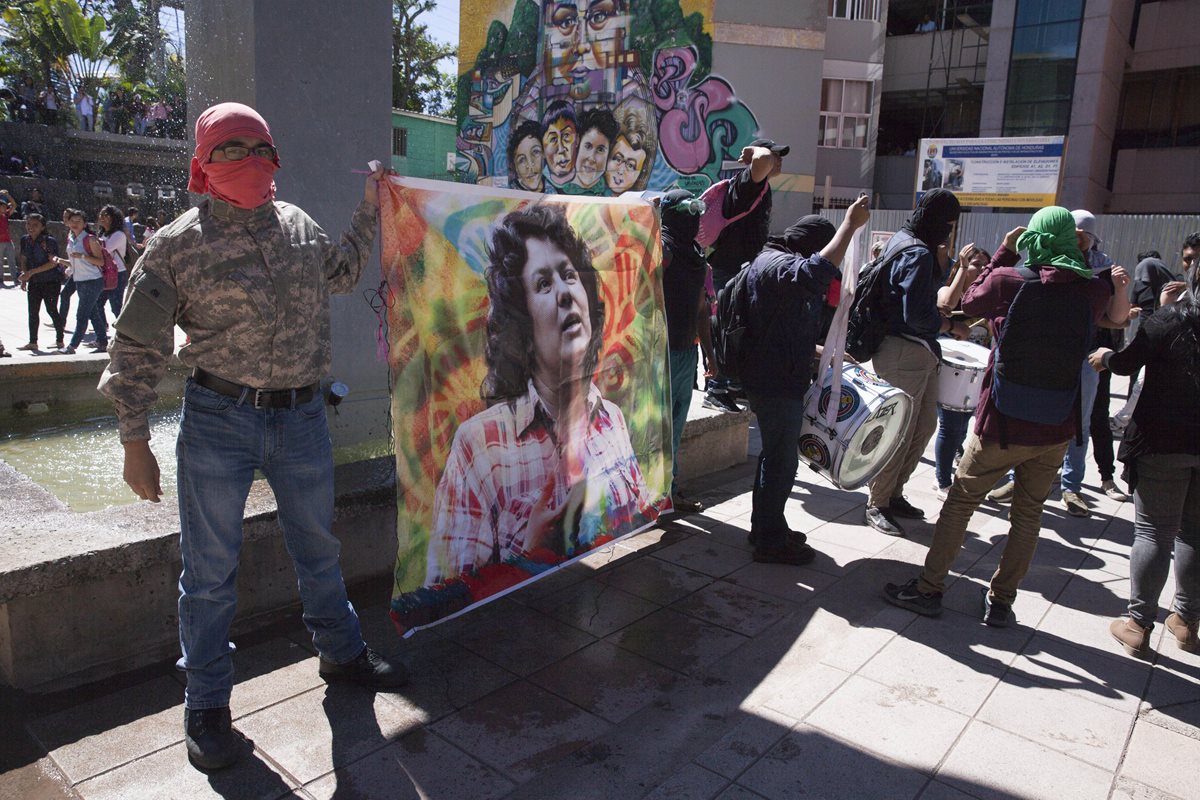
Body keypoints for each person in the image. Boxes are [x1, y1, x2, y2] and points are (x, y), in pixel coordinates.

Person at [96, 102, 406, 771]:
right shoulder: (177, 243)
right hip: (219, 423)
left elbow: (346, 272)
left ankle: (341, 652)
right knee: (209, 576)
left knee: (319, 547)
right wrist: (133, 440)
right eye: (228, 147)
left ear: (275, 154)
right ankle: (206, 705)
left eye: (256, 144)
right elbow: (136, 345)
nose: (245, 158)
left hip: (300, 419)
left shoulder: (296, 226)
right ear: (203, 164)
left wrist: (368, 206)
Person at [884, 209, 1128, 627]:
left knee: (960, 503)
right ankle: (1001, 602)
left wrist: (1002, 252)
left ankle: (929, 589)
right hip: (1055, 425)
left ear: (1032, 239)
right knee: (1028, 515)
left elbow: (968, 300)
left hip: (1002, 421)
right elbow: (1119, 316)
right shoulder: (1091, 291)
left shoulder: (1009, 281)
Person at [427, 202, 658, 586]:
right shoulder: (480, 448)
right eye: (543, 284)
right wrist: (530, 558)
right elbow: (447, 602)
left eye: (569, 275)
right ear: (523, 327)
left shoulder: (613, 421)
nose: (566, 293)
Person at [742, 198, 871, 565]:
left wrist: (823, 351)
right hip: (774, 381)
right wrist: (848, 227)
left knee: (775, 457)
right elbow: (813, 273)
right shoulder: (778, 264)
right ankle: (769, 541)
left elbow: (778, 327)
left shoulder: (772, 261)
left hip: (775, 372)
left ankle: (766, 527)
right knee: (781, 462)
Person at [1092, 266, 1200, 657]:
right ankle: (1187, 622)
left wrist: (1105, 355)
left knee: (1154, 532)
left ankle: (1138, 623)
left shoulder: (1169, 320)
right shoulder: (1171, 320)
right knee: (1194, 534)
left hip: (1162, 442)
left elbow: (1124, 362)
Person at [864, 189, 969, 536]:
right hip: (902, 350)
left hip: (916, 351)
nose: (949, 232)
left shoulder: (906, 240)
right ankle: (877, 503)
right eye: (949, 225)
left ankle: (894, 494)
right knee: (899, 432)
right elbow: (917, 314)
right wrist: (950, 324)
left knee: (922, 428)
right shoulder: (916, 251)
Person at [704, 138, 788, 413]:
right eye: (776, 155)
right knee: (726, 326)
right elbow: (761, 160)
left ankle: (732, 383)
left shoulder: (758, 186)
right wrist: (756, 153)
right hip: (729, 268)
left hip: (738, 269)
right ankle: (716, 389)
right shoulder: (747, 182)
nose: (779, 161)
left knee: (737, 326)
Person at [1058, 209, 1119, 518]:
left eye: (1084, 235)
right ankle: (1019, 479)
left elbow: (1116, 319)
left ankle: (1071, 486)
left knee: (1080, 425)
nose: (1078, 240)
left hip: (1086, 355)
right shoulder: (1050, 257)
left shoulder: (1103, 268)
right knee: (1040, 417)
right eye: (1074, 233)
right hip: (1051, 353)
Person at [660, 190, 710, 514]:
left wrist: (709, 355)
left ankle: (668, 492)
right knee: (656, 427)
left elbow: (702, 309)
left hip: (684, 355)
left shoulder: (695, 254)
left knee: (674, 429)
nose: (695, 220)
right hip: (658, 355)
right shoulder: (662, 247)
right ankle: (649, 495)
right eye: (689, 214)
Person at [932, 243, 991, 499]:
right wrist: (962, 269)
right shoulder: (949, 287)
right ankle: (943, 480)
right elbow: (946, 303)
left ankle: (956, 454)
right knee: (950, 424)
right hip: (952, 368)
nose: (981, 270)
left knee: (965, 423)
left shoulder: (989, 293)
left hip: (979, 371)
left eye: (985, 266)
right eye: (976, 264)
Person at [54, 209, 108, 354]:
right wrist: (63, 263)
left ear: (84, 224)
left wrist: (83, 257)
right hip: (80, 281)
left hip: (93, 281)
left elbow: (101, 262)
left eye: (78, 221)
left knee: (82, 314)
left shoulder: (90, 239)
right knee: (92, 312)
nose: (75, 224)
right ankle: (103, 343)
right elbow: (74, 261)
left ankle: (72, 346)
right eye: (72, 221)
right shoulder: (71, 239)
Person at [16, 213, 64, 351]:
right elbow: (23, 258)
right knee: (32, 311)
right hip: (34, 282)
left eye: (35, 225)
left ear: (42, 227)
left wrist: (31, 273)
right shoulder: (25, 240)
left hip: (50, 281)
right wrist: (25, 276)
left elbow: (53, 263)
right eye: (28, 224)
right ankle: (33, 341)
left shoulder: (49, 241)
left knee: (52, 310)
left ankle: (60, 340)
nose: (31, 228)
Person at [565, 108, 616, 195]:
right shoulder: (556, 187)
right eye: (588, 146)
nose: (592, 158)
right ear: (577, 144)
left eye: (600, 150)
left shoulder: (610, 194)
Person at [97, 204, 130, 317]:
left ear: (113, 217)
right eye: (101, 214)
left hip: (118, 273)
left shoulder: (118, 235)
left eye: (106, 215)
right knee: (98, 303)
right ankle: (102, 329)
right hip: (104, 272)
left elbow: (104, 251)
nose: (102, 217)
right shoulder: (101, 234)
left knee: (116, 305)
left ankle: (124, 331)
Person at [541, 100, 578, 190]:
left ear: (578, 140)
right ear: (543, 149)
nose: (561, 149)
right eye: (553, 139)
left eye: (566, 136)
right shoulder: (538, 184)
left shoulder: (588, 182)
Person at [507, 119, 547, 193]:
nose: (530, 166)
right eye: (521, 160)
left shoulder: (553, 190)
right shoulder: (510, 194)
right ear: (515, 167)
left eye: (535, 152)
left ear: (544, 153)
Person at [0, 189, 16, 286]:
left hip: (8, 241)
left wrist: (7, 195)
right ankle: (0, 280)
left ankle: (15, 279)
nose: (5, 208)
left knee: (11, 260)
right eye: (3, 206)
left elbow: (14, 205)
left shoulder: (6, 215)